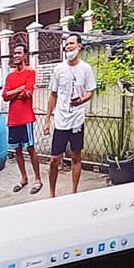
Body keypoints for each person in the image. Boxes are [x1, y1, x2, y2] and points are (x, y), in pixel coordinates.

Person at [46, 34, 96, 197]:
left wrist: (82, 100)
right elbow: (53, 95)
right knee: (54, 160)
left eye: (72, 43)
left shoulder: (86, 69)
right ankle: (52, 194)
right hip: (61, 122)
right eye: (66, 44)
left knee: (76, 157)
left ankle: (74, 192)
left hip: (77, 121)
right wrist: (47, 120)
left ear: (79, 46)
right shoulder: (59, 69)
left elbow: (90, 91)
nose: (68, 46)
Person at [3, 39, 43, 195]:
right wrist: (18, 90)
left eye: (19, 53)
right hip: (13, 119)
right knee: (17, 150)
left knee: (30, 148)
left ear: (25, 55)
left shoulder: (30, 72)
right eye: (14, 53)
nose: (16, 56)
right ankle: (24, 178)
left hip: (26, 118)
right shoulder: (10, 76)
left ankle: (38, 179)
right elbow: (4, 96)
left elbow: (28, 93)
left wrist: (14, 93)